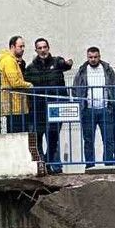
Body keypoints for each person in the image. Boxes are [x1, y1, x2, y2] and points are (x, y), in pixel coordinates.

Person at [25, 38, 74, 173]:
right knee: (39, 137)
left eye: (44, 47)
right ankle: (42, 165)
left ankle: (47, 161)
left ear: (48, 48)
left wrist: (68, 62)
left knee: (53, 137)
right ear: (36, 50)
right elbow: (26, 86)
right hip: (39, 108)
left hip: (56, 107)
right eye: (39, 48)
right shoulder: (30, 68)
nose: (42, 50)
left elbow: (66, 65)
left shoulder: (57, 62)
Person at [72, 46, 115, 167]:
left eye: (95, 57)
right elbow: (75, 89)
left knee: (109, 140)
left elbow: (114, 87)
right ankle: (90, 165)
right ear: (87, 57)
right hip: (88, 110)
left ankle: (108, 165)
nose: (93, 59)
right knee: (88, 141)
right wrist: (81, 104)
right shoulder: (82, 70)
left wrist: (112, 103)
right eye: (90, 57)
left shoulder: (107, 69)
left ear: (99, 56)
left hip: (106, 109)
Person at [0, 36, 33, 134]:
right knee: (18, 135)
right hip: (15, 104)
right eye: (20, 46)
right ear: (12, 46)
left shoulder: (11, 60)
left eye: (23, 46)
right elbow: (14, 82)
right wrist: (29, 85)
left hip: (15, 104)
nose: (23, 49)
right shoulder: (9, 61)